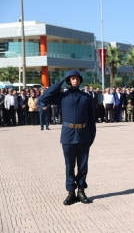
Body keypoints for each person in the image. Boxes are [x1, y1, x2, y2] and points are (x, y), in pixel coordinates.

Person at [40, 70, 96, 205]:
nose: (75, 81)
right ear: (68, 81)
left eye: (77, 78)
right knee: (69, 165)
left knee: (83, 165)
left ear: (80, 80)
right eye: (72, 79)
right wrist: (60, 82)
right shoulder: (62, 96)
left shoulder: (86, 97)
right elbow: (44, 98)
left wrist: (91, 137)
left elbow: (92, 119)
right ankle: (71, 192)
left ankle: (81, 191)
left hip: (83, 134)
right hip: (68, 134)